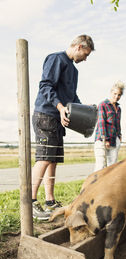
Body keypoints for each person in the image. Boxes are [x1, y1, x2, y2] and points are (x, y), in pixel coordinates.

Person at [32, 34, 95, 220]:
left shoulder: (74, 71)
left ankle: (50, 201)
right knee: (43, 158)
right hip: (46, 115)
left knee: (53, 160)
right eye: (86, 54)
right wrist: (60, 107)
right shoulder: (56, 59)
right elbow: (45, 86)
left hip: (59, 119)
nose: (85, 58)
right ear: (78, 47)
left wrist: (85, 110)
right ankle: (31, 201)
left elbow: (72, 98)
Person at [94, 81, 125, 172]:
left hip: (114, 140)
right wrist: (105, 139)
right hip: (102, 140)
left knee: (112, 167)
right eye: (115, 94)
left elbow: (117, 124)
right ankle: (95, 185)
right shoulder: (103, 105)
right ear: (111, 92)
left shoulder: (119, 109)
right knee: (100, 166)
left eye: (119, 95)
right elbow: (101, 122)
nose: (116, 96)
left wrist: (119, 135)